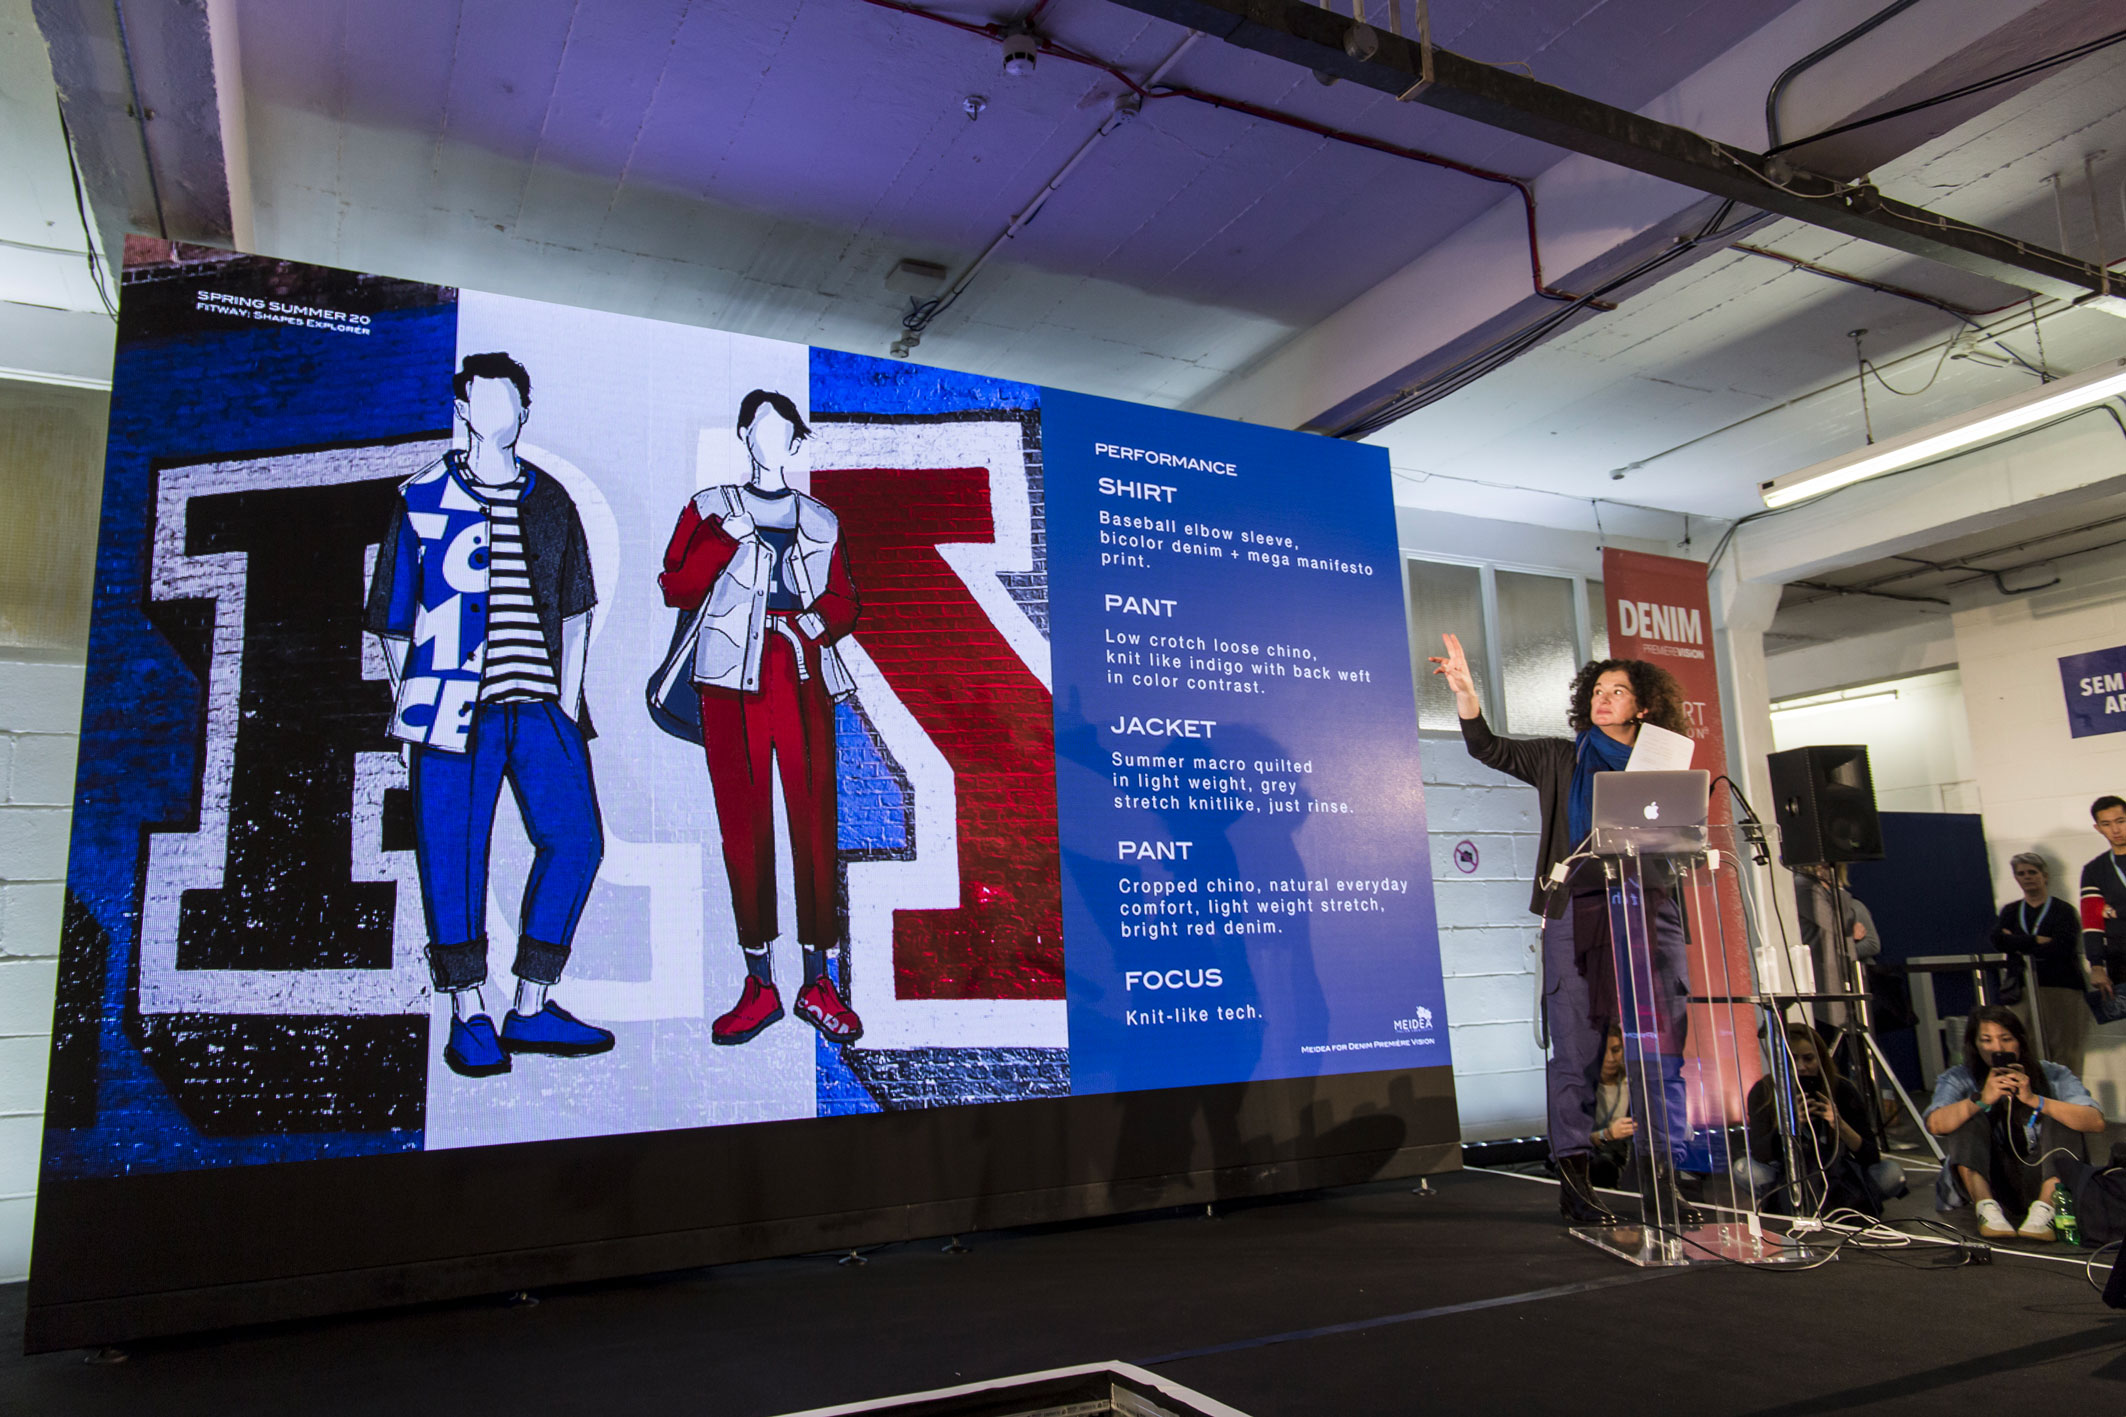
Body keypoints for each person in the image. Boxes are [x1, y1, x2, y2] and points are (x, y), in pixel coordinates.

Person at [364, 352, 614, 1077]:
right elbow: (392, 621)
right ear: (464, 410)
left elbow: (576, 610)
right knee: (452, 856)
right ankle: (469, 1013)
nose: (499, 411)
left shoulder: (551, 500)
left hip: (539, 708)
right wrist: (412, 711)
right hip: (449, 711)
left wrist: (566, 705)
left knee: (577, 842)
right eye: (485, 399)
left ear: (524, 411)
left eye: (510, 399)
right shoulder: (423, 498)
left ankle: (531, 1004)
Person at [1431, 634, 1696, 1226]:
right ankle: (1575, 1181)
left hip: (1649, 910)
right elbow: (1488, 749)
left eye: (1617, 692)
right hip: (1576, 909)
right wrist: (1467, 694)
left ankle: (1663, 1179)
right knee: (1575, 1053)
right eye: (1597, 690)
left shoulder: (1664, 766)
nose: (1603, 699)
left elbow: (1681, 840)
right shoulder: (1562, 758)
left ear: (1644, 706)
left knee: (1661, 1054)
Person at [654, 389, 864, 1047]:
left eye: (784, 431)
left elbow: (845, 599)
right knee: (744, 827)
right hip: (727, 679)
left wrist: (812, 625)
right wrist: (723, 541)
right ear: (745, 433)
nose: (772, 439)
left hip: (801, 670)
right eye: (761, 427)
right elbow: (676, 586)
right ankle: (759, 983)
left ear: (796, 443)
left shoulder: (821, 519)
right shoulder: (709, 508)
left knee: (814, 822)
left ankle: (817, 982)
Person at [1925, 1005, 2105, 1241]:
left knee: (2063, 1117)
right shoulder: (1958, 1077)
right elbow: (1935, 1124)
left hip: (2044, 1176)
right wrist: (1980, 1100)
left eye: (2006, 1039)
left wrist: (2035, 1100)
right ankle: (1987, 1210)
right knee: (1966, 1117)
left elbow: (2095, 1121)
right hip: (1991, 1178)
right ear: (1975, 1045)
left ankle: (2045, 1212)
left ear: (2020, 1041)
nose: (1997, 1048)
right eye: (1986, 1040)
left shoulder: (2054, 1074)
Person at [1739, 1021, 1902, 1218]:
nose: (1801, 1067)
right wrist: (1789, 1127)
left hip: (1837, 1173)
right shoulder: (1763, 1091)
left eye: (1809, 1059)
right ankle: (1785, 1203)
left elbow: (1870, 1155)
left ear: (1821, 1059)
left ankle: (1844, 1204)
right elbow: (1760, 1152)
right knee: (1744, 1169)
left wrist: (1840, 1126)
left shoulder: (1842, 1089)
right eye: (1792, 1059)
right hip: (1785, 1172)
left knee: (1891, 1173)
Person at [1993, 851, 2093, 1076]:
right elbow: (1998, 941)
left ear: (2044, 876)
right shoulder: (2011, 911)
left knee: (2065, 1049)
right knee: (2026, 1048)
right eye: (2021, 873)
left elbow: (2062, 946)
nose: (2027, 877)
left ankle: (2067, 1095)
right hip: (2022, 988)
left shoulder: (2063, 910)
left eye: (2032, 872)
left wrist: (2017, 942)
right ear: (2015, 878)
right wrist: (2036, 940)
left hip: (2061, 986)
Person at [2078, 796, 2126, 1016]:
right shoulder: (2094, 869)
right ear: (2098, 828)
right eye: (2106, 824)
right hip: (2121, 956)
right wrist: (2096, 965)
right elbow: (2092, 921)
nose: (2115, 830)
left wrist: (2116, 911)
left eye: (2121, 821)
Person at [1588, 1028, 1635, 1190]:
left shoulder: (1635, 1084)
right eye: (1603, 1051)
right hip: (1597, 1160)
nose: (1610, 1059)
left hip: (1629, 1155)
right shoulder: (1581, 1088)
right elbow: (1574, 1139)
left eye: (1616, 1050)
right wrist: (1608, 1134)